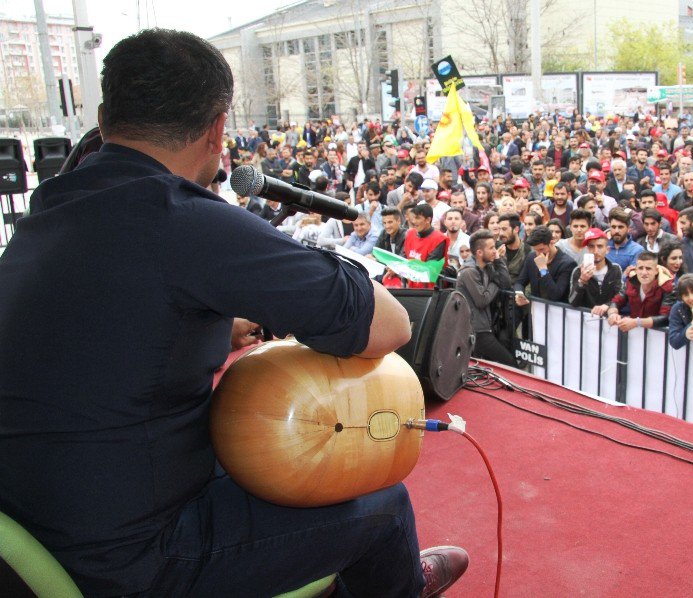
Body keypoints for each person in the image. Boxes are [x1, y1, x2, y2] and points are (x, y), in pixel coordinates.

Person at [0, 30, 466, 597]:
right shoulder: (180, 219)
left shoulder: (45, 213)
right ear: (219, 128)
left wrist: (217, 333)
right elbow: (391, 325)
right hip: (134, 559)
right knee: (383, 508)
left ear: (103, 116)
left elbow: (95, 339)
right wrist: (280, 256)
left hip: (37, 527)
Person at [456, 230, 517, 366]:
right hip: (476, 330)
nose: (495, 251)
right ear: (479, 252)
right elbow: (482, 300)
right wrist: (496, 281)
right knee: (510, 364)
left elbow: (506, 283)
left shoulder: (487, 266)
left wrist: (499, 261)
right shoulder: (469, 272)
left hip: (485, 327)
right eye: (491, 248)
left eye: (494, 247)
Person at [595, 251, 674, 331]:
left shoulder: (668, 286)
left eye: (648, 268)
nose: (644, 272)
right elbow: (616, 301)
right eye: (640, 268)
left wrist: (637, 322)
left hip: (658, 336)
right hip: (634, 333)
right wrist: (612, 314)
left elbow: (666, 318)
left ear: (656, 270)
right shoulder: (631, 282)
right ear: (636, 269)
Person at [514, 226, 576, 305]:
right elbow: (520, 282)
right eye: (535, 250)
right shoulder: (531, 257)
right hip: (536, 310)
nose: (538, 254)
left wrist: (543, 269)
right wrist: (519, 295)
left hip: (558, 312)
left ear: (552, 242)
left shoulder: (567, 264)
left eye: (541, 249)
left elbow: (555, 295)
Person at [568, 228, 623, 309]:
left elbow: (620, 295)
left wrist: (607, 306)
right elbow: (573, 302)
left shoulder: (615, 269)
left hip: (608, 318)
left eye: (600, 246)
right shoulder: (578, 271)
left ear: (607, 250)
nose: (595, 251)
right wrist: (582, 281)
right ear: (587, 249)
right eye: (591, 246)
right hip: (585, 318)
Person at [668, 274, 693, 349]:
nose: (691, 298)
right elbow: (674, 342)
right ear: (682, 297)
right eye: (686, 295)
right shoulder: (678, 309)